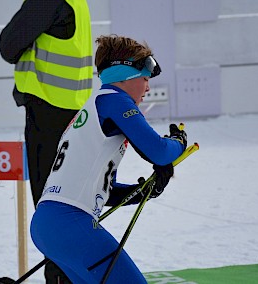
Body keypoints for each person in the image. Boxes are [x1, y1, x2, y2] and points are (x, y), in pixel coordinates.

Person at [30, 34, 188, 283]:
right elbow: (158, 151)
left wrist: (141, 191)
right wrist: (179, 143)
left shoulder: (93, 106)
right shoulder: (114, 100)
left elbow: (103, 190)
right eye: (145, 78)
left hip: (48, 224)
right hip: (70, 223)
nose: (148, 88)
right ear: (124, 75)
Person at [0, 0, 93, 282]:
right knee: (68, 209)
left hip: (48, 115)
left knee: (51, 213)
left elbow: (8, 45)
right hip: (72, 115)